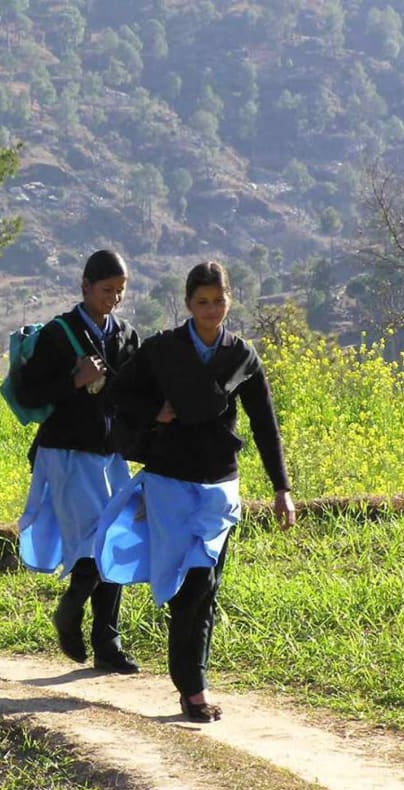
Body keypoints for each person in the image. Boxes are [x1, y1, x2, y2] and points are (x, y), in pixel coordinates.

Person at [96, 261, 295, 720]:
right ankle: (191, 683)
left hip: (219, 487)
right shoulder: (164, 349)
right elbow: (121, 393)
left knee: (204, 582)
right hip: (169, 483)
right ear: (188, 304)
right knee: (184, 584)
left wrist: (282, 487)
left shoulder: (241, 355)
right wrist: (157, 412)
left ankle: (193, 687)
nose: (211, 310)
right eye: (202, 302)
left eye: (219, 301)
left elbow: (265, 425)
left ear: (230, 300)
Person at [16, 249, 141, 674]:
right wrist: (75, 380)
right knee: (94, 543)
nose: (114, 299)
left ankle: (107, 641)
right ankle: (71, 611)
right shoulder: (58, 333)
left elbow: (132, 395)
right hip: (67, 454)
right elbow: (30, 394)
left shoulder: (125, 335)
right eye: (107, 290)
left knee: (113, 540)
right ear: (85, 286)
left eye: (120, 291)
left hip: (109, 455)